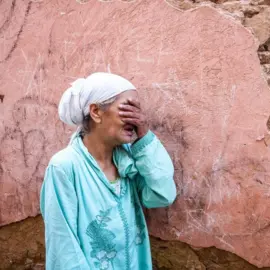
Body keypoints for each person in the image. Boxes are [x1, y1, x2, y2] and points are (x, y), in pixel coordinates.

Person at [39, 72, 177, 270]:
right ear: (96, 111)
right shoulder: (64, 167)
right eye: (129, 108)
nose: (137, 118)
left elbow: (162, 195)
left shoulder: (127, 163)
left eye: (138, 111)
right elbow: (64, 249)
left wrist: (144, 136)